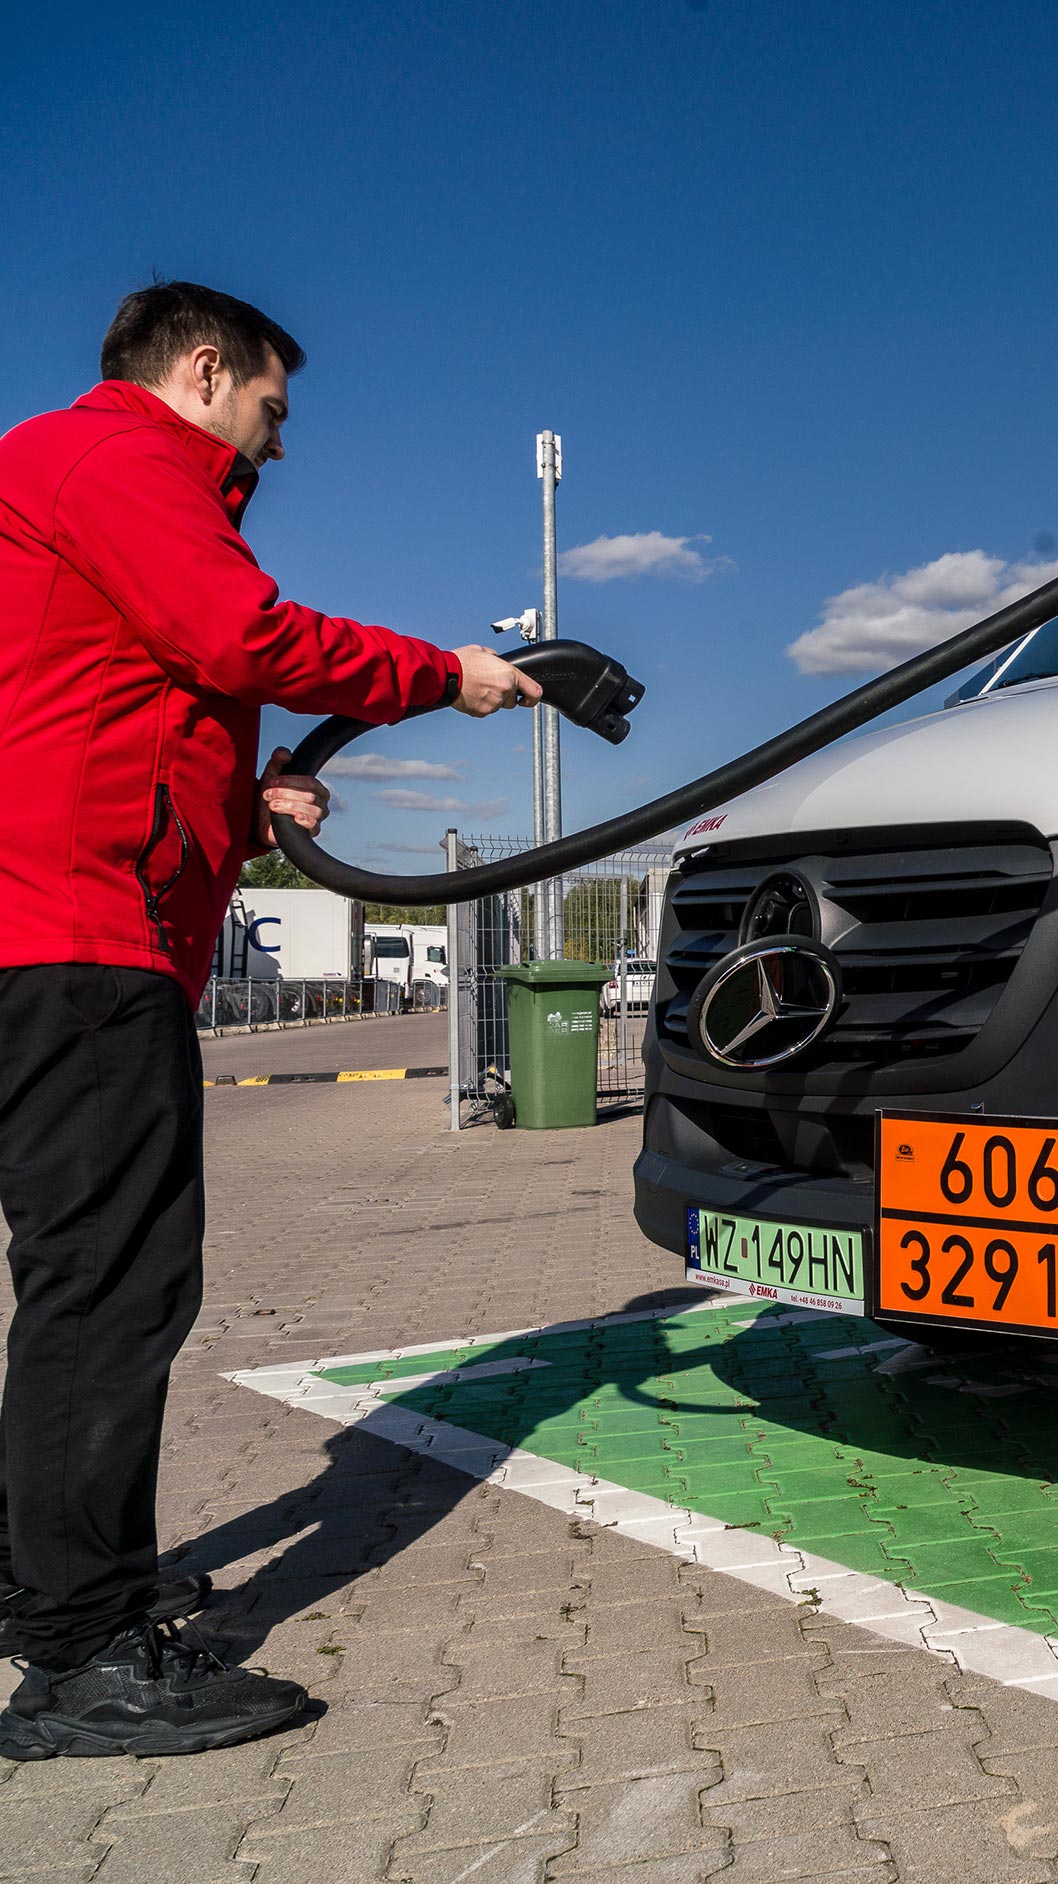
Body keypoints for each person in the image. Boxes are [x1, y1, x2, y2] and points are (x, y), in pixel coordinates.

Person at [0, 282, 540, 1759]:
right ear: (201, 369)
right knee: (111, 1292)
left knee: (78, 1284)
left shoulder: (63, 476)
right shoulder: (116, 461)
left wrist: (247, 805)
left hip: (60, 925)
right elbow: (237, 637)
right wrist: (454, 679)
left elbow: (114, 710)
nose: (277, 444)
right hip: (71, 940)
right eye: (270, 409)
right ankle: (82, 1660)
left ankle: (47, 1580)